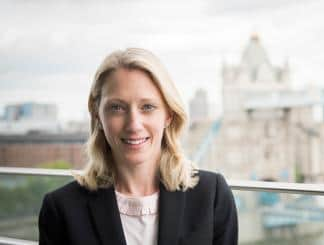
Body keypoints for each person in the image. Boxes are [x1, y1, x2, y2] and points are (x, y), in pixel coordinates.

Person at [38, 48, 238, 245]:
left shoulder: (212, 196)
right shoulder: (61, 209)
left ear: (168, 115)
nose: (134, 124)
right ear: (98, 115)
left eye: (147, 107)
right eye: (117, 107)